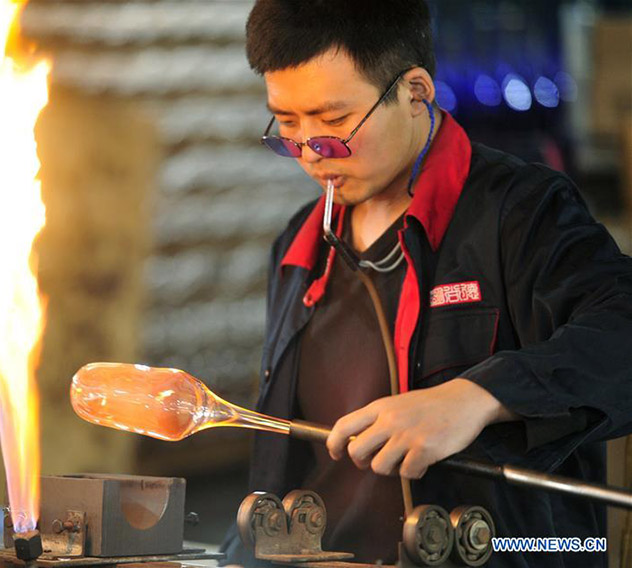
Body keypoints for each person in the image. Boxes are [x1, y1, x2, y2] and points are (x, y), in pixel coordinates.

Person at [219, 1, 632, 567]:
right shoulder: (300, 248)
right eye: (287, 124)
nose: (311, 153)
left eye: (335, 122)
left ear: (415, 92)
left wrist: (479, 397)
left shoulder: (520, 214)